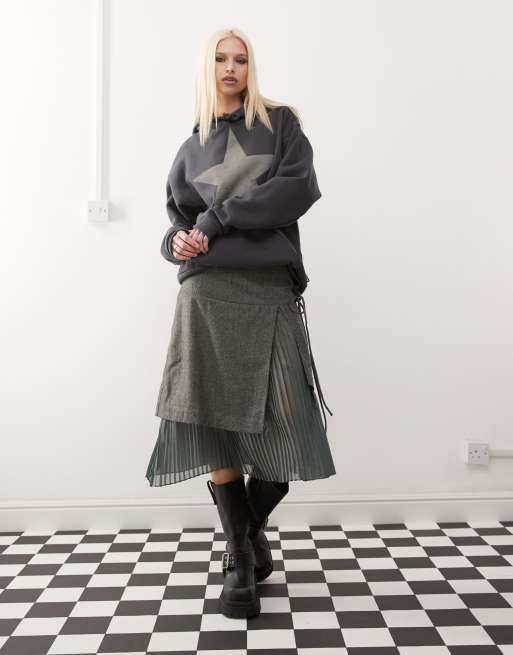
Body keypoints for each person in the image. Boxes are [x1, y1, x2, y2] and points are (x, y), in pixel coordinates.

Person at [145, 26, 337, 619]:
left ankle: (245, 532)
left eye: (242, 59)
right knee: (213, 419)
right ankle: (241, 558)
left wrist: (218, 219)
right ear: (208, 68)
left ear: (252, 67)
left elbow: (297, 189)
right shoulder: (191, 147)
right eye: (221, 59)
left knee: (290, 420)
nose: (231, 68)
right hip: (205, 293)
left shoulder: (280, 124)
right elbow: (177, 224)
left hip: (268, 285)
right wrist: (176, 243)